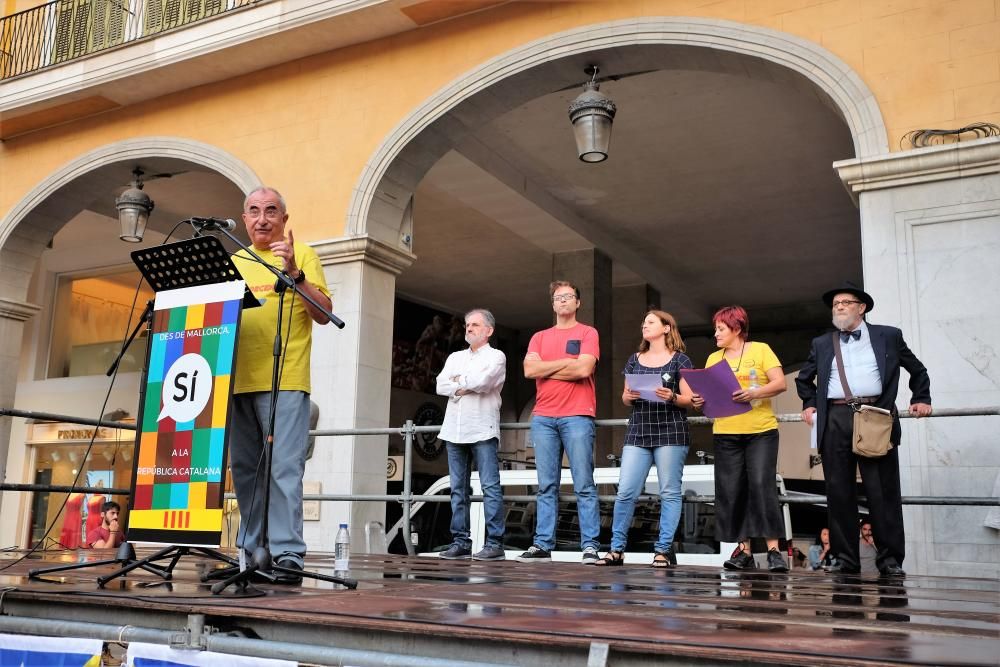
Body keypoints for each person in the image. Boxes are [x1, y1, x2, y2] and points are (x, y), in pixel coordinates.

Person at [230, 186, 332, 585]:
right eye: (254, 211)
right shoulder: (236, 260)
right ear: (243, 218)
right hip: (236, 379)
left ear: (284, 219)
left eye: (271, 211)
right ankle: (250, 550)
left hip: (285, 378)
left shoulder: (300, 252)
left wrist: (294, 274)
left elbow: (325, 313)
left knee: (283, 470)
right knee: (244, 471)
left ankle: (288, 553)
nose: (262, 218)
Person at [796, 283, 931, 578]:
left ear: (862, 307)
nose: (840, 307)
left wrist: (921, 398)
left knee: (882, 491)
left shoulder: (888, 336)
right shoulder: (822, 343)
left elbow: (917, 369)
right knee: (839, 493)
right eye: (835, 304)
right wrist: (809, 403)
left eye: (846, 302)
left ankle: (890, 560)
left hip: (875, 415)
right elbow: (804, 380)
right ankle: (846, 559)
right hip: (834, 417)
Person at [690, 305, 789, 572]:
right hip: (726, 433)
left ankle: (773, 551)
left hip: (760, 431)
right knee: (732, 491)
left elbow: (780, 383)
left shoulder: (761, 349)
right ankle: (743, 550)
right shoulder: (713, 358)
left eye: (720, 329)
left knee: (761, 485)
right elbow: (709, 397)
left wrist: (753, 394)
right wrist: (700, 400)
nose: (716, 334)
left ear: (736, 328)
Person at [595, 310, 694, 568]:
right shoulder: (635, 359)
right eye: (643, 323)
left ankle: (662, 550)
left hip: (671, 431)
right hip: (638, 430)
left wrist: (670, 396)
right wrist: (634, 395)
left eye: (650, 322)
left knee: (669, 492)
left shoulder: (680, 360)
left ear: (666, 328)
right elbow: (625, 397)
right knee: (626, 491)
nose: (644, 326)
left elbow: (690, 399)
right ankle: (616, 549)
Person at [517, 281, 601, 563]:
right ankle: (542, 544)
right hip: (543, 417)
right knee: (546, 484)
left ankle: (589, 546)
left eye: (568, 297)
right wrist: (567, 362)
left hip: (577, 414)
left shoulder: (588, 332)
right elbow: (530, 370)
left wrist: (548, 368)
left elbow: (584, 368)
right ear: (552, 304)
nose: (563, 301)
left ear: (578, 302)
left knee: (583, 483)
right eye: (557, 297)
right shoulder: (539, 337)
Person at [435, 309, 507, 561]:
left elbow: (484, 382)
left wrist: (459, 382)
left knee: (490, 486)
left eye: (475, 325)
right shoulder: (455, 356)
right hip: (453, 429)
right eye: (467, 325)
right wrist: (464, 385)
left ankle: (495, 543)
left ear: (489, 330)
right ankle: (461, 541)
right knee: (457, 488)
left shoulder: (497, 356)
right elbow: (439, 384)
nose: (469, 328)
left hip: (482, 427)